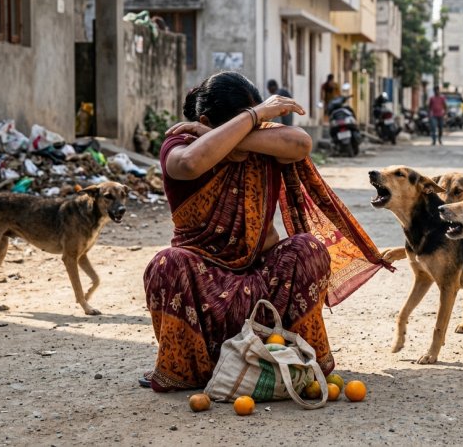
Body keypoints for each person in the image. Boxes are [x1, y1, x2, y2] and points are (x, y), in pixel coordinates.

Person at [142, 71, 388, 392]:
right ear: (205, 121)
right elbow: (187, 164)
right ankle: (195, 368)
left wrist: (238, 130)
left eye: (258, 124)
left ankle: (293, 358)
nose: (256, 129)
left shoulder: (265, 144)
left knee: (307, 249)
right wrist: (251, 118)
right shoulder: (181, 142)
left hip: (262, 290)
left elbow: (300, 143)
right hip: (203, 292)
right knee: (166, 264)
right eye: (245, 121)